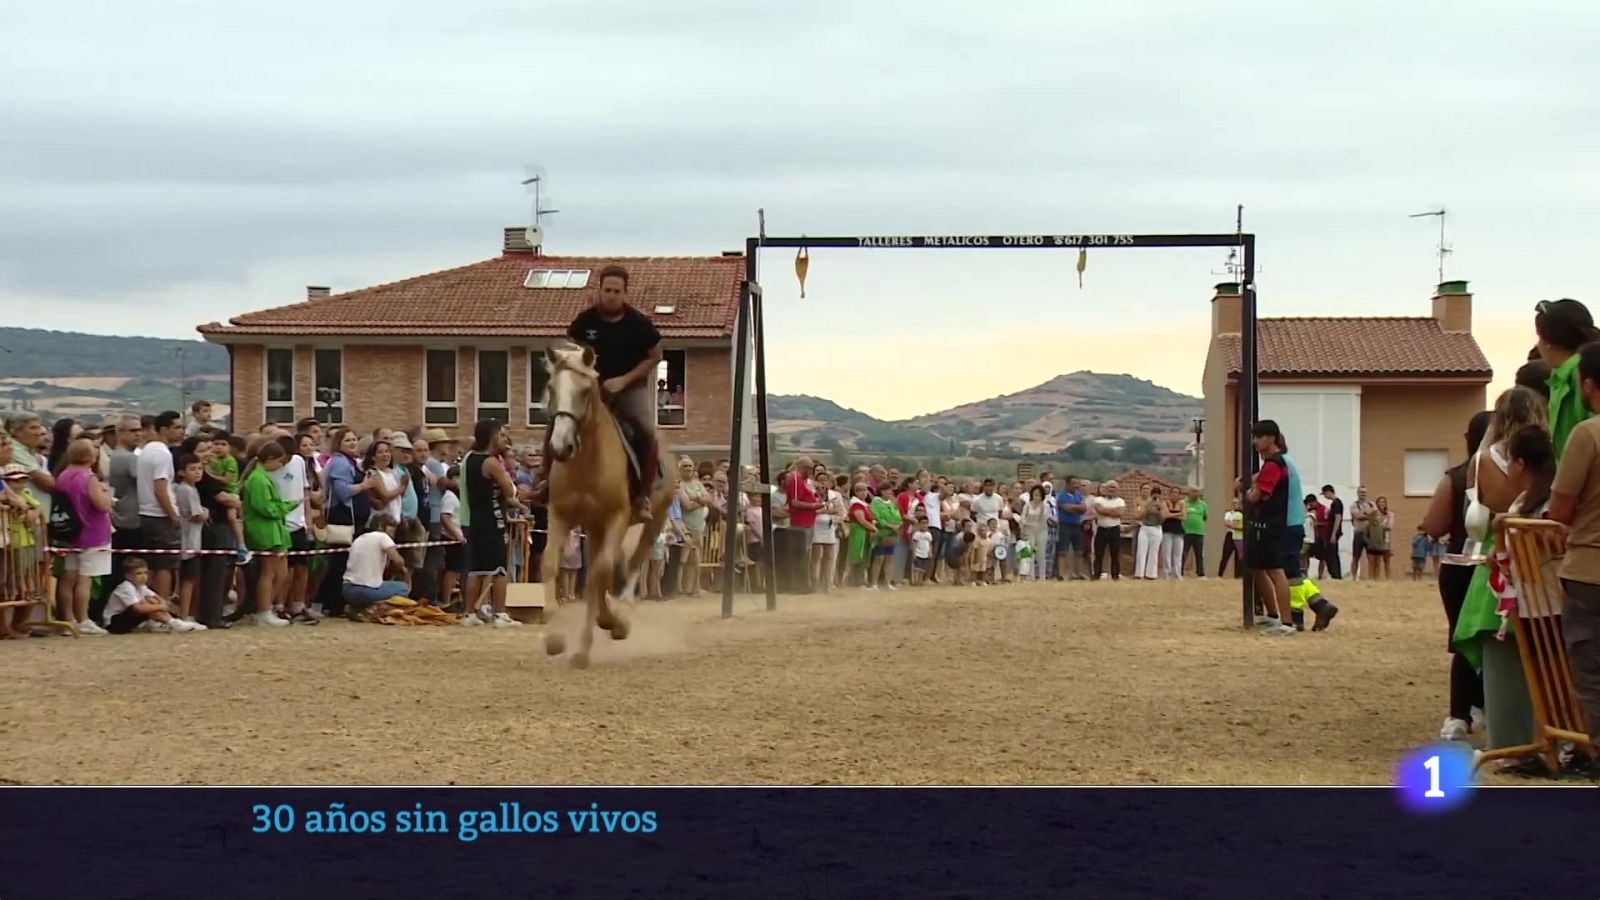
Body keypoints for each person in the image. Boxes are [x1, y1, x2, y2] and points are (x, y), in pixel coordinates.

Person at [528, 265, 663, 523]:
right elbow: (571, 353)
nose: (611, 295)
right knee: (558, 420)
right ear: (599, 290)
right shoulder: (585, 321)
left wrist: (624, 380)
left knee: (647, 431)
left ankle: (643, 495)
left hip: (628, 389)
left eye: (616, 291)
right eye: (607, 290)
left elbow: (655, 356)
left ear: (625, 293)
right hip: (590, 388)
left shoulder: (639, 324)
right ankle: (547, 481)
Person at [1422, 410, 1493, 741]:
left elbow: (1434, 526)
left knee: (1463, 639)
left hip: (1459, 565)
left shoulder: (1456, 475)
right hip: (1497, 563)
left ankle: (1460, 714)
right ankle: (1488, 703)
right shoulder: (1517, 475)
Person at [1548, 341, 1600, 759]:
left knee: (1591, 671)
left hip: (1590, 568)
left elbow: (1561, 506)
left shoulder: (1587, 434)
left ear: (1588, 385)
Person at [458, 420, 525, 627]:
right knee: (499, 569)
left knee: (476, 569)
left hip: (475, 518)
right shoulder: (492, 463)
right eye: (501, 434)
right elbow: (510, 491)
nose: (505, 438)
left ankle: (469, 613)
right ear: (492, 436)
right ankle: (500, 614)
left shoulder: (469, 459)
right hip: (492, 518)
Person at [1245, 420, 1302, 636]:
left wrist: (1245, 491)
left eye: (1259, 437)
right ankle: (1272, 615)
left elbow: (1255, 496)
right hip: (1270, 524)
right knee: (1258, 567)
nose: (1255, 442)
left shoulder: (1273, 464)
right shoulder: (1277, 464)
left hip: (1272, 525)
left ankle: (1287, 622)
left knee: (1276, 571)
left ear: (1272, 438)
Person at [55, 438, 115, 635]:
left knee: (68, 576)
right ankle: (83, 619)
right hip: (92, 533)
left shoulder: (63, 475)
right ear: (91, 456)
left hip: (69, 532)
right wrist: (107, 496)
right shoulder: (88, 477)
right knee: (85, 578)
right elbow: (102, 505)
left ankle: (68, 619)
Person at [240, 441, 296, 628]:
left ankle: (267, 608)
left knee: (281, 573)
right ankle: (262, 611)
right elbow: (265, 508)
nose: (281, 465)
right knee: (268, 573)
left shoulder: (263, 477)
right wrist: (288, 506)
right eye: (279, 461)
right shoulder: (257, 479)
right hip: (264, 530)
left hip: (275, 531)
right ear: (270, 459)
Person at [135, 411, 186, 602]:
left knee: (153, 567)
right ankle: (160, 608)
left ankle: (152, 608)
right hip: (159, 515)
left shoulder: (147, 450)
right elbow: (160, 489)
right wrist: (172, 514)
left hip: (147, 514)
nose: (181, 432)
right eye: (177, 428)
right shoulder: (162, 454)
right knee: (165, 567)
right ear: (163, 429)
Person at [103, 558, 204, 633]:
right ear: (128, 576)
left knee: (151, 600)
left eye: (145, 573)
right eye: (139, 573)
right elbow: (138, 609)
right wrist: (161, 606)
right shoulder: (125, 587)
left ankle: (171, 622)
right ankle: (173, 623)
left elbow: (157, 597)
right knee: (144, 604)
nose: (143, 577)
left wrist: (161, 603)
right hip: (114, 624)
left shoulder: (141, 587)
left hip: (130, 619)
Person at [341, 512, 412, 610]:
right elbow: (398, 561)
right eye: (391, 526)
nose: (393, 530)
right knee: (403, 588)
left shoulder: (359, 538)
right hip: (365, 590)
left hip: (347, 589)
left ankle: (357, 608)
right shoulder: (383, 537)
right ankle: (372, 610)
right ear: (380, 526)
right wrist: (404, 572)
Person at [1054, 477, 1087, 580]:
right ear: (1067, 484)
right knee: (1063, 551)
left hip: (1077, 525)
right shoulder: (1061, 496)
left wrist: (1073, 507)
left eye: (1078, 484)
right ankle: (1063, 574)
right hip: (1065, 525)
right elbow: (1065, 508)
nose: (1077, 486)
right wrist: (1077, 507)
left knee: (1079, 551)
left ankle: (1079, 573)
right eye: (1074, 484)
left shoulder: (1079, 495)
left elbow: (1084, 509)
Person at [1181, 487, 1207, 577]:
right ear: (1189, 493)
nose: (1197, 493)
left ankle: (1200, 573)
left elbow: (1205, 517)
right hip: (1185, 532)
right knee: (1183, 553)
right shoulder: (1183, 503)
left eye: (1198, 492)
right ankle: (1180, 572)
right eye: (1194, 491)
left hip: (1199, 533)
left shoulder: (1203, 504)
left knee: (1199, 554)